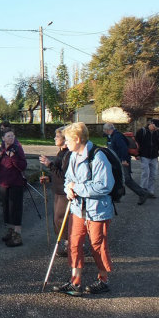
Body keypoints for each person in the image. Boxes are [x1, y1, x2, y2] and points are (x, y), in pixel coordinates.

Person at [53, 122, 114, 296]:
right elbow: (68, 180)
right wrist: (68, 189)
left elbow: (105, 186)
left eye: (68, 139)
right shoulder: (73, 156)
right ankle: (75, 281)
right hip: (78, 208)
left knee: (97, 246)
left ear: (78, 139)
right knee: (74, 243)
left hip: (98, 211)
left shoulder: (98, 157)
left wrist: (76, 188)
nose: (66, 143)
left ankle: (103, 279)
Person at [39, 126, 71, 256]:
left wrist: (49, 165)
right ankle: (67, 244)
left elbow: (64, 175)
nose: (54, 138)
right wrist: (49, 178)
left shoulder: (68, 154)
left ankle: (72, 245)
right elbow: (58, 174)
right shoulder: (61, 152)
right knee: (58, 219)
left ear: (64, 139)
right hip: (58, 190)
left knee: (62, 218)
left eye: (57, 136)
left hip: (65, 191)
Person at [103, 122, 150, 205]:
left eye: (104, 130)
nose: (104, 131)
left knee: (127, 180)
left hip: (123, 161)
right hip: (117, 161)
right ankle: (117, 196)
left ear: (107, 130)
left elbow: (124, 148)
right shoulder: (112, 136)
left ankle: (142, 193)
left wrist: (124, 160)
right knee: (117, 179)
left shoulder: (117, 136)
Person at [0, 128, 27, 247]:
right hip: (4, 183)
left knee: (15, 209)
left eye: (12, 136)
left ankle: (17, 235)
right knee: (6, 208)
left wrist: (13, 157)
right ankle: (10, 230)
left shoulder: (18, 149)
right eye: (8, 136)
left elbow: (23, 166)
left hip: (16, 183)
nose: (11, 138)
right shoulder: (2, 149)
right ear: (3, 138)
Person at [135, 118, 159, 198]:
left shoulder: (158, 133)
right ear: (151, 124)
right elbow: (136, 144)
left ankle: (150, 191)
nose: (156, 129)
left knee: (154, 175)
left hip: (154, 156)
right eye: (155, 127)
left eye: (157, 128)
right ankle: (142, 191)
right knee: (145, 173)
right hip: (144, 155)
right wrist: (137, 154)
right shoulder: (141, 131)